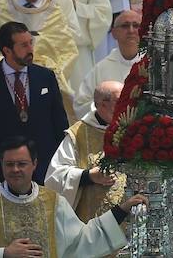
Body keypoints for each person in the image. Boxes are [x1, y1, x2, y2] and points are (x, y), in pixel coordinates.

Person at [0, 137, 143, 257]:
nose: (15, 170)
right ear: (1, 165)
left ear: (34, 164)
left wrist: (121, 210)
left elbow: (81, 240)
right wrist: (4, 253)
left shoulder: (53, 202)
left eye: (21, 164)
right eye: (9, 164)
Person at [0, 23, 71, 196]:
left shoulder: (46, 77)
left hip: (46, 168)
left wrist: (66, 168)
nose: (30, 49)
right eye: (24, 45)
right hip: (8, 171)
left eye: (31, 43)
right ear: (7, 50)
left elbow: (60, 124)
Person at [45, 81, 125, 220]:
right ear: (101, 104)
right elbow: (55, 177)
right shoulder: (78, 134)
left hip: (130, 220)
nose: (125, 104)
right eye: (119, 100)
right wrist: (88, 176)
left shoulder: (134, 128)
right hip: (92, 225)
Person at [75, 9, 142, 114]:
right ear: (114, 33)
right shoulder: (101, 69)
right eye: (125, 26)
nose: (131, 30)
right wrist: (106, 107)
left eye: (136, 26)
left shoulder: (152, 65)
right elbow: (81, 104)